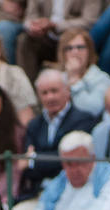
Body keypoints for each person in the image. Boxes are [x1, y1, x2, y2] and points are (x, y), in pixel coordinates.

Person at [22, 69, 100, 198]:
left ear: (67, 91)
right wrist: (35, 161)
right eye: (44, 93)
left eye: (54, 91)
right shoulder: (34, 125)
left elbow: (71, 160)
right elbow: (27, 168)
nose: (50, 97)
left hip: (73, 192)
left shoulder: (83, 120)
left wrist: (35, 159)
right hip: (38, 193)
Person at [28, 131, 110, 210]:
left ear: (92, 158)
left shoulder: (107, 178)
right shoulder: (60, 180)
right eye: (68, 164)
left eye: (79, 162)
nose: (74, 169)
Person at [15, 0, 105, 83]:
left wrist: (56, 26)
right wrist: (33, 26)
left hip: (73, 34)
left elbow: (90, 21)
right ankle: (30, 89)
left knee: (77, 42)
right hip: (45, 37)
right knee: (24, 40)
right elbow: (29, 17)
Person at [57, 27, 110, 119]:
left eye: (80, 47)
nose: (75, 52)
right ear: (63, 53)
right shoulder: (57, 78)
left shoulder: (101, 78)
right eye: (69, 48)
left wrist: (75, 80)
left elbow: (93, 110)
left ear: (89, 51)